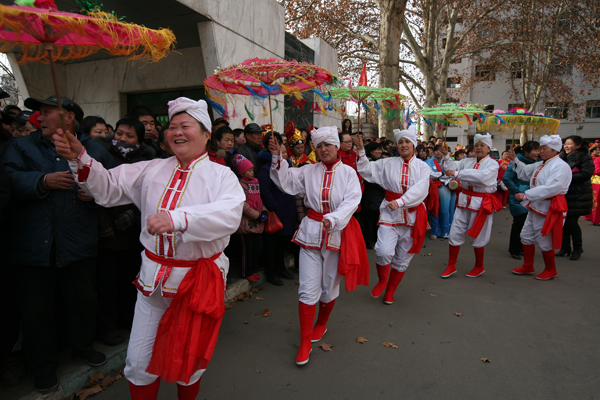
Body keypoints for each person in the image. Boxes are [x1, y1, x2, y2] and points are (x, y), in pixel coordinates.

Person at [53, 97, 245, 400]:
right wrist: (80, 157)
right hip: (151, 284)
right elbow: (107, 188)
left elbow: (229, 215)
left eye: (185, 126)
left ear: (207, 134)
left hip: (195, 285)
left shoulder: (221, 176)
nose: (177, 132)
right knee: (138, 363)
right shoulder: (151, 169)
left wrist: (178, 218)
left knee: (188, 362)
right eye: (172, 126)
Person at [1, 95, 114, 393]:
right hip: (33, 243)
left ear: (69, 118)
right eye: (40, 112)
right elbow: (7, 178)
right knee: (36, 310)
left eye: (48, 112)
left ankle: (83, 347)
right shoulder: (21, 146)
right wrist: (42, 180)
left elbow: (114, 184)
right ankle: (42, 367)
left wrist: (95, 195)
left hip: (77, 241)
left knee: (82, 301)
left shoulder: (94, 150)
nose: (40, 117)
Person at [268, 126, 366, 366]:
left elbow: (352, 201)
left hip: (337, 234)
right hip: (310, 234)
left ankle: (321, 323)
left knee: (328, 286)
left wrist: (334, 218)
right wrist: (277, 156)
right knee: (307, 288)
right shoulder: (308, 170)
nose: (323, 150)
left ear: (336, 147)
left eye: (327, 145)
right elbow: (285, 182)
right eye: (319, 146)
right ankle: (304, 342)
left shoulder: (349, 173)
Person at [94, 117, 154, 346]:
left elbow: (149, 195)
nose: (122, 139)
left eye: (130, 136)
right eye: (119, 133)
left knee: (130, 281)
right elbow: (96, 190)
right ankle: (106, 328)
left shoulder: (146, 162)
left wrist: (134, 215)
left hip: (133, 234)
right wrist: (104, 223)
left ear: (139, 140)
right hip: (106, 235)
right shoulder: (103, 156)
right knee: (106, 285)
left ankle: (128, 321)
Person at [355, 125, 429, 304]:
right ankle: (382, 280)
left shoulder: (423, 167)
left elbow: (420, 190)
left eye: (407, 142)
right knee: (382, 251)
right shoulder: (388, 163)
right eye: (400, 142)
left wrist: (401, 201)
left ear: (413, 145)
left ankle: (390, 290)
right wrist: (361, 152)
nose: (403, 145)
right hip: (390, 213)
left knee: (402, 258)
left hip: (412, 216)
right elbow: (366, 170)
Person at [506, 135, 572, 279]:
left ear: (554, 150)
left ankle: (551, 270)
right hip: (536, 205)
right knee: (526, 236)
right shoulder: (542, 164)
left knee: (544, 239)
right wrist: (515, 159)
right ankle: (528, 265)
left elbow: (551, 188)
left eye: (544, 148)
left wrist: (526, 195)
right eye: (540, 148)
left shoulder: (561, 166)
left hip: (549, 207)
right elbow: (525, 172)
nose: (540, 151)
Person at [439, 133, 501, 278]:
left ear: (488, 148)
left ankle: (479, 266)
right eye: (477, 145)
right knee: (455, 232)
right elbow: (451, 168)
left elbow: (483, 178)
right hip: (463, 201)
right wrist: (446, 156)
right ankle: (451, 265)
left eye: (482, 145)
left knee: (479, 235)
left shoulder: (492, 164)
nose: (478, 148)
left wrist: (458, 174)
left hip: (481, 203)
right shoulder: (467, 161)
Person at [257, 132, 297, 286]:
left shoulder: (287, 167)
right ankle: (271, 273)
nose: (284, 154)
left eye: (285, 151)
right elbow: (265, 190)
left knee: (282, 244)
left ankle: (281, 269)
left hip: (288, 211)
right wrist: (274, 206)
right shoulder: (265, 168)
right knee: (271, 246)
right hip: (277, 211)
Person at [556, 135, 594, 260]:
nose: (566, 146)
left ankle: (577, 248)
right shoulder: (561, 157)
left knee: (572, 222)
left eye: (570, 143)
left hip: (578, 195)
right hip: (564, 194)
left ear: (578, 145)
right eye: (565, 143)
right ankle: (565, 247)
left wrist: (567, 177)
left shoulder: (585, 157)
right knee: (564, 222)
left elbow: (586, 174)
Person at [232, 154, 267, 283]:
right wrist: (257, 215)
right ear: (241, 172)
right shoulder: (239, 185)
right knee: (247, 250)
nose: (252, 172)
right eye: (249, 170)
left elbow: (259, 200)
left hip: (257, 222)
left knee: (258, 248)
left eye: (252, 170)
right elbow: (243, 205)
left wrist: (264, 211)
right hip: (246, 223)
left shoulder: (254, 183)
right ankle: (246, 272)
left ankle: (253, 269)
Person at [503, 141, 540, 259]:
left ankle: (522, 247)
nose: (537, 153)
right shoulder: (515, 162)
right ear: (526, 152)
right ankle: (514, 249)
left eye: (538, 150)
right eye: (535, 150)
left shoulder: (538, 163)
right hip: (519, 197)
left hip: (532, 196)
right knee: (519, 223)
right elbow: (507, 179)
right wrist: (517, 191)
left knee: (528, 225)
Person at [426, 144, 456, 240]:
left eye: (440, 150)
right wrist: (442, 174)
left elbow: (452, 172)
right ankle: (436, 231)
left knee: (448, 210)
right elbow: (430, 174)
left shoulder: (447, 160)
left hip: (448, 185)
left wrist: (442, 175)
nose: (438, 152)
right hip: (437, 187)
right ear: (433, 152)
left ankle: (446, 231)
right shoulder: (429, 162)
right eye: (436, 150)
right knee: (437, 209)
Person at [361, 142, 386, 249]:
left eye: (380, 149)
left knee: (377, 219)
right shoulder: (368, 162)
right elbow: (369, 179)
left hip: (380, 195)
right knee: (369, 220)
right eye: (377, 149)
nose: (379, 152)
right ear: (371, 151)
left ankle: (375, 239)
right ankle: (369, 240)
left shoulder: (381, 162)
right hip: (370, 195)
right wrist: (383, 184)